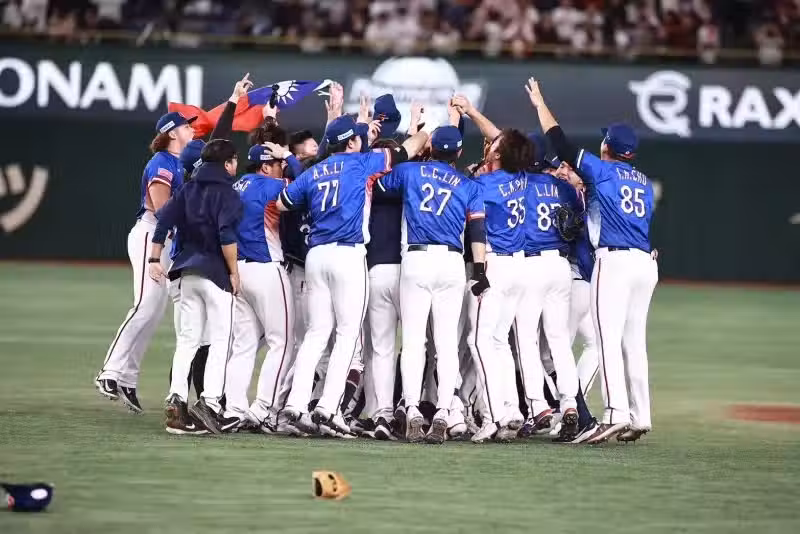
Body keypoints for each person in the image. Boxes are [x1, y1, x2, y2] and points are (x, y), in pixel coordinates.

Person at [277, 114, 432, 437]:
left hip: (316, 255)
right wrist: (424, 131)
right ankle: (328, 407)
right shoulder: (362, 163)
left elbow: (282, 203)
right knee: (348, 333)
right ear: (351, 142)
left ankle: (296, 402)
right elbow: (407, 149)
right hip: (347, 254)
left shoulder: (315, 170)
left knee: (317, 333)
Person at [525, 77, 658, 444]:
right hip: (645, 262)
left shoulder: (602, 170)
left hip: (615, 261)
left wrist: (540, 104)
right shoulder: (644, 182)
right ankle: (641, 415)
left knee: (607, 338)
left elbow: (560, 142)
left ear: (607, 147)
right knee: (635, 342)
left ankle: (616, 413)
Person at [376, 118, 488, 444]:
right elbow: (477, 231)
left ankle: (412, 409)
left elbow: (379, 184)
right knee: (446, 343)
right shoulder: (469, 186)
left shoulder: (410, 172)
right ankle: (442, 412)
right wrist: (480, 271)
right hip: (451, 262)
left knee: (414, 341)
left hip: (417, 258)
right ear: (459, 152)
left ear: (431, 148)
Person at [95, 109, 195, 413]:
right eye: (186, 126)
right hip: (151, 235)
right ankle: (109, 372)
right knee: (143, 305)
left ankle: (127, 378)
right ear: (172, 133)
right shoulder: (162, 162)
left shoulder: (180, 163)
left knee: (153, 311)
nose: (192, 129)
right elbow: (162, 209)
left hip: (166, 240)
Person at [452, 94, 531, 444]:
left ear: (498, 154)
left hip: (494, 264)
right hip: (519, 265)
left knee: (479, 340)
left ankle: (493, 417)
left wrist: (480, 271)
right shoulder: (521, 175)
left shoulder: (483, 185)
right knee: (499, 341)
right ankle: (511, 410)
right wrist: (470, 111)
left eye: (494, 145)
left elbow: (475, 223)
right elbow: (500, 138)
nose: (490, 142)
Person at [152, 139, 244, 435]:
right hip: (215, 273)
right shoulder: (228, 193)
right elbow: (226, 235)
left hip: (186, 272)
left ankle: (176, 400)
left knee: (188, 339)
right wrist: (234, 272)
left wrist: (154, 258)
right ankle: (210, 403)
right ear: (228, 163)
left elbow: (162, 222)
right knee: (220, 339)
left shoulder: (188, 189)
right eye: (234, 160)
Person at [220, 144, 296, 434]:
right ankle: (263, 408)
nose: (282, 168)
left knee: (244, 344)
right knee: (283, 342)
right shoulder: (270, 186)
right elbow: (304, 184)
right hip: (265, 267)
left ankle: (234, 409)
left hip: (237, 270)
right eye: (277, 164)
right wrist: (290, 157)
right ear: (265, 166)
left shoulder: (234, 186)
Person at [512, 147, 584, 443]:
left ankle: (538, 406)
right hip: (560, 266)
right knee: (559, 341)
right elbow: (577, 216)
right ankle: (569, 403)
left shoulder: (517, 184)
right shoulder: (562, 187)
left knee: (526, 339)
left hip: (531, 264)